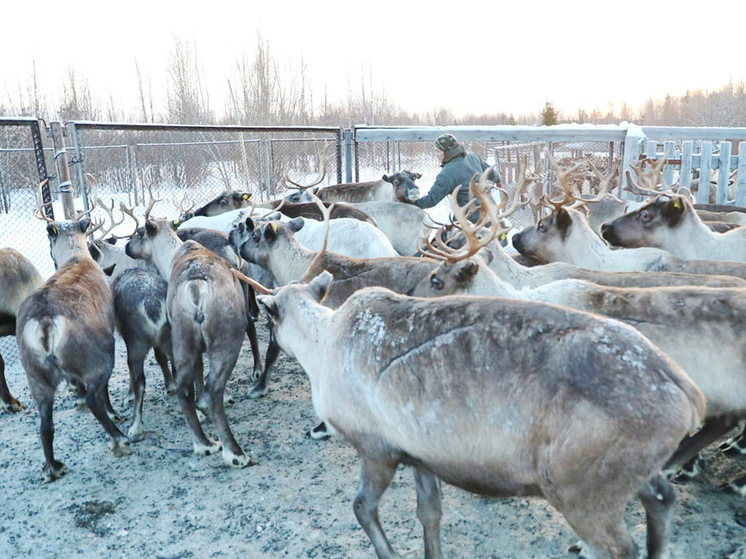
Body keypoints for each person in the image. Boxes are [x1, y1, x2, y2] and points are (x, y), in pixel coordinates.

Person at [409, 133, 501, 220]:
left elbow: (432, 199)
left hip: (470, 221)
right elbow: (491, 172)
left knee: (445, 235)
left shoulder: (446, 174)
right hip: (493, 215)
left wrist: (410, 204)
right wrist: (498, 181)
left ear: (446, 152)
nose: (437, 155)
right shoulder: (473, 157)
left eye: (438, 151)